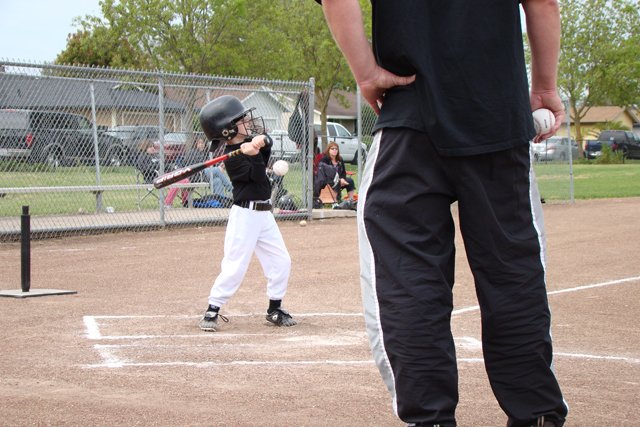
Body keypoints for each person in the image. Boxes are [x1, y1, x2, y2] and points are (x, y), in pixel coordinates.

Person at [316, 1, 568, 426]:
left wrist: (366, 72)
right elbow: (542, 3)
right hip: (498, 119)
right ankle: (537, 415)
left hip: (409, 115)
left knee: (408, 279)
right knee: (513, 274)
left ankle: (429, 418)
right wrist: (543, 86)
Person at [197, 95, 296, 331]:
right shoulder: (233, 159)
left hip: (265, 215)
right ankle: (212, 309)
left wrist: (261, 141)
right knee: (235, 266)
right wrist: (250, 154)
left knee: (281, 261)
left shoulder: (249, 143)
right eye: (241, 120)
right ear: (227, 130)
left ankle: (274, 308)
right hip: (245, 216)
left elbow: (268, 143)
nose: (247, 122)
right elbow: (259, 178)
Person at [164, 137, 233, 208]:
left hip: (203, 175)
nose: (201, 145)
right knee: (217, 170)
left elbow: (209, 164)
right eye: (199, 143)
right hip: (195, 175)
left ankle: (221, 202)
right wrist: (217, 168)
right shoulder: (193, 152)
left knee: (217, 181)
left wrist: (217, 166)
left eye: (202, 143)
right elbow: (197, 167)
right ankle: (231, 188)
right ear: (195, 144)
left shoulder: (204, 153)